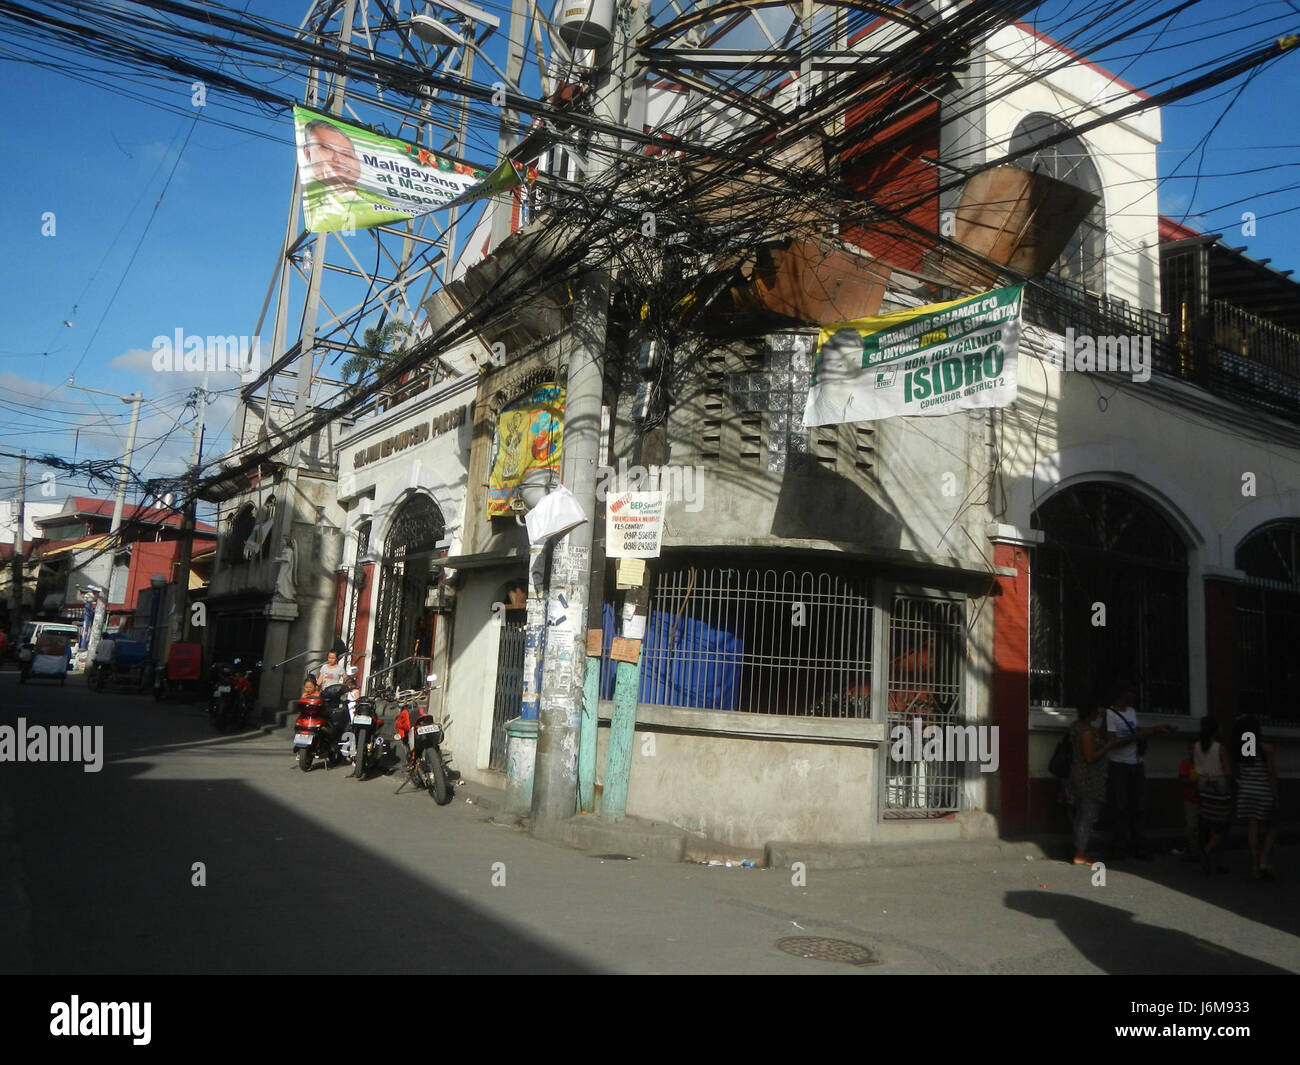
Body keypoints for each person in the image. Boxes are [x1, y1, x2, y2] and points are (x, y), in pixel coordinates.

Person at [1104, 681, 1175, 860]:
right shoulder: (1110, 714)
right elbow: (1111, 742)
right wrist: (1136, 736)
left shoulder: (1132, 712)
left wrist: (1156, 729)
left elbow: (1136, 730)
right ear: (1122, 694)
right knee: (1120, 805)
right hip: (1118, 763)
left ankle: (1138, 843)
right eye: (1131, 692)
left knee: (1139, 804)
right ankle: (1120, 844)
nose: (1134, 696)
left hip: (1136, 762)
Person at [299, 119, 400, 231]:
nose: (339, 159)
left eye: (346, 154)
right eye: (327, 148)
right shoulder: (313, 198)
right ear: (307, 153)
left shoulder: (382, 201)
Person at [1069, 699, 1115, 865]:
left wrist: (1104, 719)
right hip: (1089, 779)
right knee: (1087, 816)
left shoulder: (1078, 726)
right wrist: (1108, 746)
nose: (1098, 712)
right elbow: (1090, 757)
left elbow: (1100, 735)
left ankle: (1079, 850)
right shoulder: (1085, 731)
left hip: (1081, 777)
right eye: (1096, 710)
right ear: (1090, 712)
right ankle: (1080, 853)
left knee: (1081, 815)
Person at [1233, 715, 1279, 880]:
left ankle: (1254, 866)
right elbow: (1271, 773)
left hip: (1246, 792)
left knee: (1252, 827)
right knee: (1272, 827)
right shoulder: (1266, 748)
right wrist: (1275, 795)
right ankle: (1264, 860)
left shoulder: (1242, 750)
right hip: (1263, 791)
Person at [1191, 716, 1232, 874]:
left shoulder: (1196, 746)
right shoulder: (1219, 747)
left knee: (1207, 822)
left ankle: (1211, 856)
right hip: (1219, 787)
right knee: (1222, 826)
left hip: (1203, 786)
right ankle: (1208, 852)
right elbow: (1227, 771)